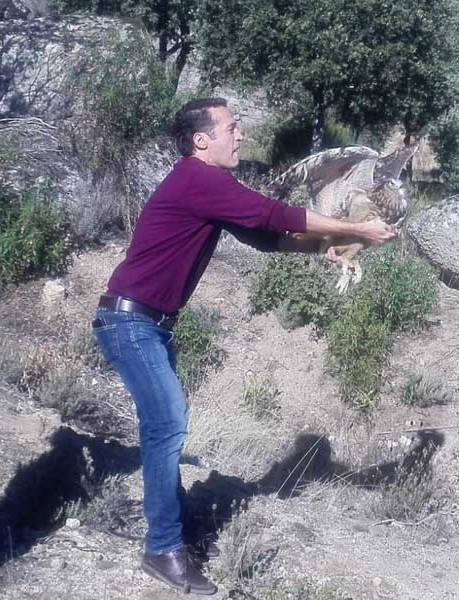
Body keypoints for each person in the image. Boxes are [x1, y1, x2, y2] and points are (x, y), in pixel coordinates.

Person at [92, 97, 395, 595]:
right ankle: (163, 548)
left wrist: (326, 247)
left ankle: (168, 527)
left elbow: (265, 237)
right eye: (232, 128)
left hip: (146, 323)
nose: (241, 136)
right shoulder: (197, 179)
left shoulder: (209, 187)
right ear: (201, 140)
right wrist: (356, 228)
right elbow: (274, 213)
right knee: (168, 422)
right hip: (131, 323)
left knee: (162, 427)